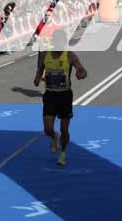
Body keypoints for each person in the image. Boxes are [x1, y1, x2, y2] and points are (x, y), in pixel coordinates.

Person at [33, 29, 87, 166]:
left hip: (65, 96)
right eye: (56, 42)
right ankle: (53, 136)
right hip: (50, 95)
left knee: (64, 129)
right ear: (53, 42)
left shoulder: (70, 56)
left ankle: (62, 153)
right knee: (47, 129)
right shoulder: (45, 55)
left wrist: (81, 73)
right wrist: (37, 78)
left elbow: (82, 71)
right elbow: (40, 68)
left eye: (61, 42)